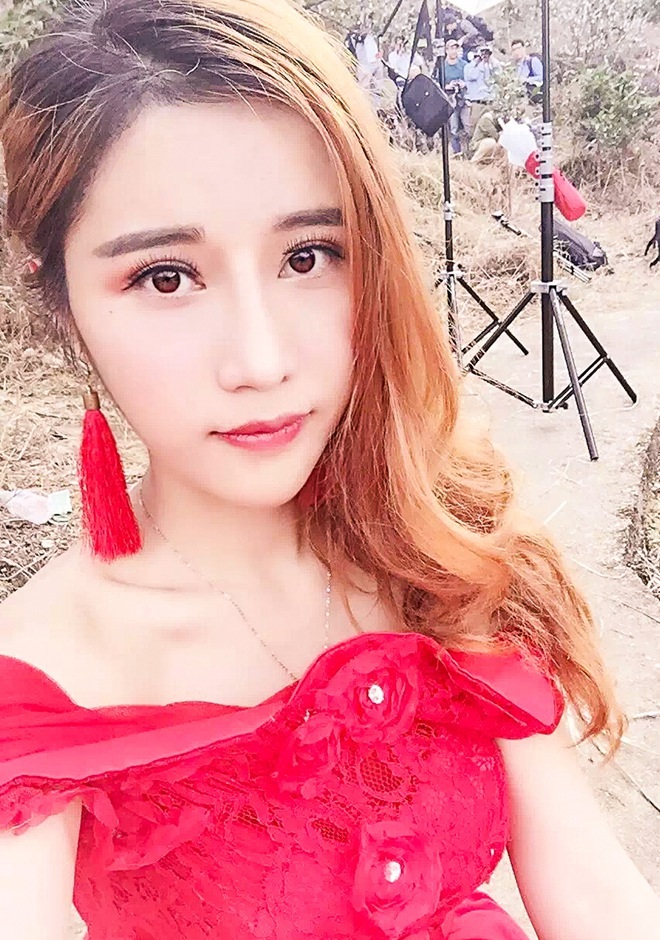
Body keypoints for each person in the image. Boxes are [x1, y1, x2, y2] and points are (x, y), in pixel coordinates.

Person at [1, 1, 660, 939]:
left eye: (308, 256)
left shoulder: (434, 539)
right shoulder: (45, 680)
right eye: (165, 277)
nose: (261, 360)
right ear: (60, 298)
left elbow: (594, 893)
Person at [442, 38, 471, 155]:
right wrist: (448, 86)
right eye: (451, 49)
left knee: (468, 126)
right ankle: (456, 152)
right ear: (446, 50)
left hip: (464, 98)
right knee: (453, 127)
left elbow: (471, 80)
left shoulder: (464, 65)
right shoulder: (442, 67)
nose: (454, 51)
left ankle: (469, 151)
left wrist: (464, 84)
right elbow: (438, 83)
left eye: (455, 48)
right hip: (450, 100)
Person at [464, 46, 499, 127]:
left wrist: (491, 60)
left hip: (490, 103)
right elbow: (472, 76)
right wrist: (477, 61)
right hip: (477, 104)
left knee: (491, 128)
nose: (484, 55)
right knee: (475, 128)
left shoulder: (491, 65)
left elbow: (498, 76)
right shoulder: (469, 67)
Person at [511, 38, 544, 102]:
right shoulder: (515, 67)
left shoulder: (532, 61)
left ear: (524, 48)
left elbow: (541, 77)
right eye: (514, 50)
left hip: (533, 94)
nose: (517, 52)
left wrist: (526, 80)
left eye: (519, 48)